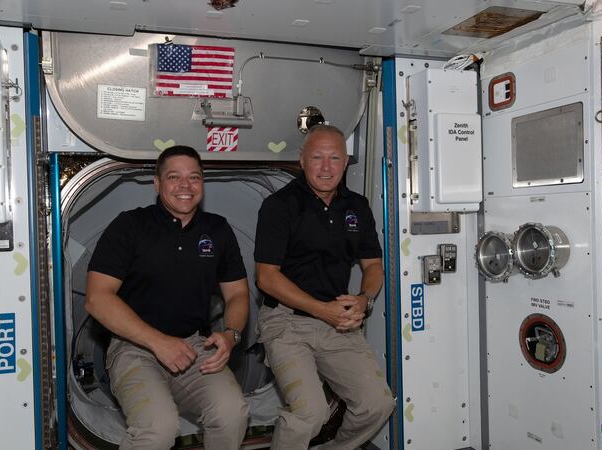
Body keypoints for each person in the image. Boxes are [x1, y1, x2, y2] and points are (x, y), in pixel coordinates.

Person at [86, 145, 250, 450]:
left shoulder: (218, 230)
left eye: (194, 177)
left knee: (232, 413)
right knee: (159, 428)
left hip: (193, 345)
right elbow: (97, 299)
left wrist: (231, 335)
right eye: (174, 177)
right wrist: (158, 342)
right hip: (134, 348)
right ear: (157, 183)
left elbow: (238, 293)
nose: (185, 186)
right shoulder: (129, 226)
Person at [254, 124, 395, 450]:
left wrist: (364, 299)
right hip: (286, 322)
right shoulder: (280, 205)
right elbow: (266, 278)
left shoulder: (357, 207)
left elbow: (373, 266)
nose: (326, 167)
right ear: (302, 160)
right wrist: (322, 311)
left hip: (337, 322)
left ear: (346, 162)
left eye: (334, 158)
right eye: (317, 157)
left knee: (377, 404)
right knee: (310, 413)